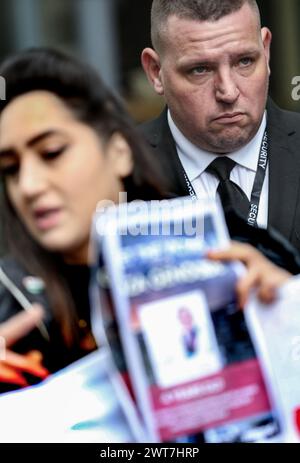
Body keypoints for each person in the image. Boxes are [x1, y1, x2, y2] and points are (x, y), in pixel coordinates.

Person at [0, 47, 168, 392]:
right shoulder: (8, 302)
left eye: (51, 152)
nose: (28, 186)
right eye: (10, 169)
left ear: (119, 152)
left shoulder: (219, 252)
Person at [140, 0, 300, 251]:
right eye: (200, 69)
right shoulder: (119, 172)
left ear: (265, 50)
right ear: (155, 72)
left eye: (244, 61)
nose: (228, 91)